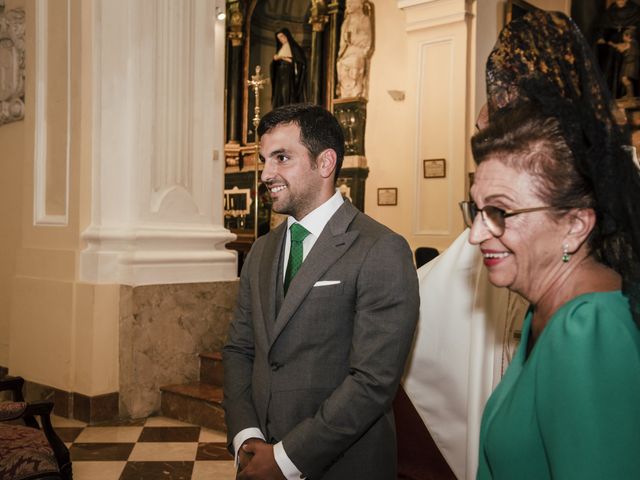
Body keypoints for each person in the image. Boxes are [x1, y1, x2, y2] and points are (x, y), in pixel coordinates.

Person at [465, 10, 640, 479]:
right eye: (476, 210)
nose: (476, 233)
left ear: (576, 224)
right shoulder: (543, 307)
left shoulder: (589, 330)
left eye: (501, 212)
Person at [223, 103, 420, 480]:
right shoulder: (263, 249)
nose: (266, 174)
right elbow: (239, 349)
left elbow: (372, 381)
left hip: (340, 463)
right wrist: (246, 434)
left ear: (325, 163)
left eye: (282, 158)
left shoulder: (380, 249)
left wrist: (285, 458)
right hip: (257, 455)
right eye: (264, 159)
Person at [270, 29, 307, 108]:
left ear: (287, 36)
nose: (281, 39)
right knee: (280, 94)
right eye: (279, 38)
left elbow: (299, 62)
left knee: (287, 92)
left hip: (289, 75)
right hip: (280, 76)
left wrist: (281, 57)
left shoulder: (293, 47)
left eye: (282, 37)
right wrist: (275, 60)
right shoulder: (281, 48)